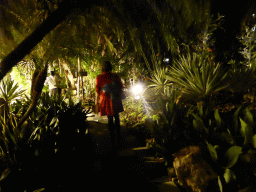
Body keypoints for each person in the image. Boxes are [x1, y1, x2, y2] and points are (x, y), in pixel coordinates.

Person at [96, 61, 124, 149]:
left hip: (106, 100)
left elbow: (98, 89)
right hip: (115, 98)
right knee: (116, 116)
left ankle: (112, 138)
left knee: (110, 118)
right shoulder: (115, 76)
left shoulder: (99, 77)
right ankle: (118, 136)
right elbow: (121, 86)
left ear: (102, 68)